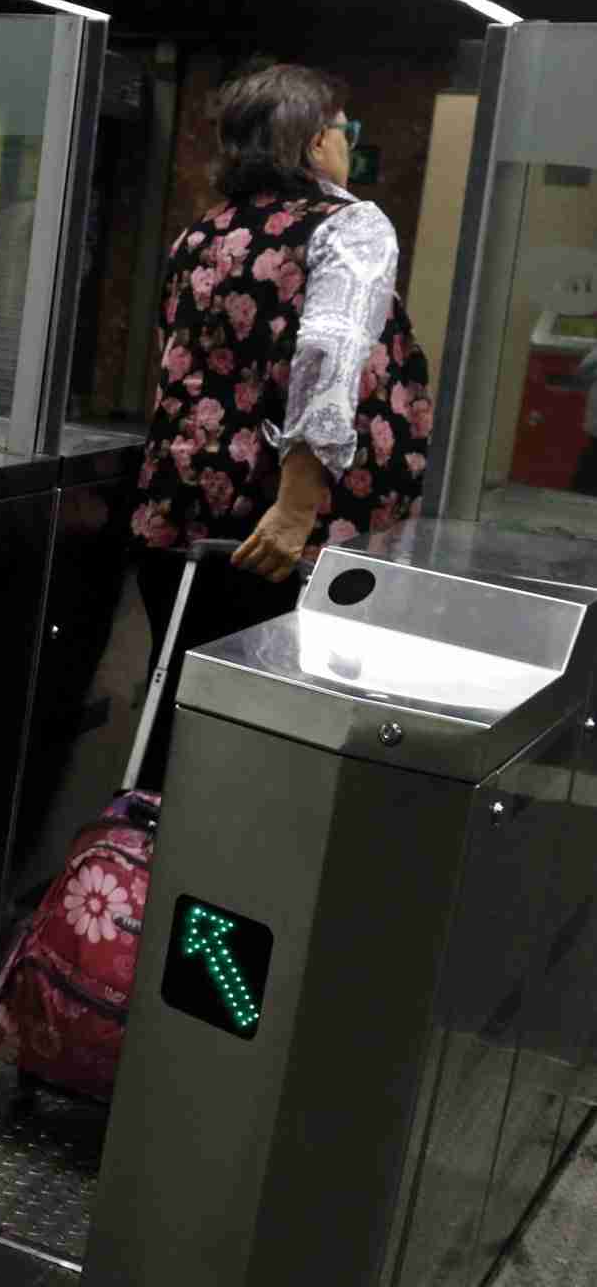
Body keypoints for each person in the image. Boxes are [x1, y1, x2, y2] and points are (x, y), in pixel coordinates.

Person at [127, 63, 433, 788]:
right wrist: (296, 510)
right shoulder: (350, 225)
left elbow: (170, 366)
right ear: (313, 142)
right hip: (283, 536)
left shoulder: (202, 234)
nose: (348, 146)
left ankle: (143, 872)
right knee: (272, 737)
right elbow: (328, 361)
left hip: (180, 517)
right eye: (345, 130)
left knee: (180, 713)